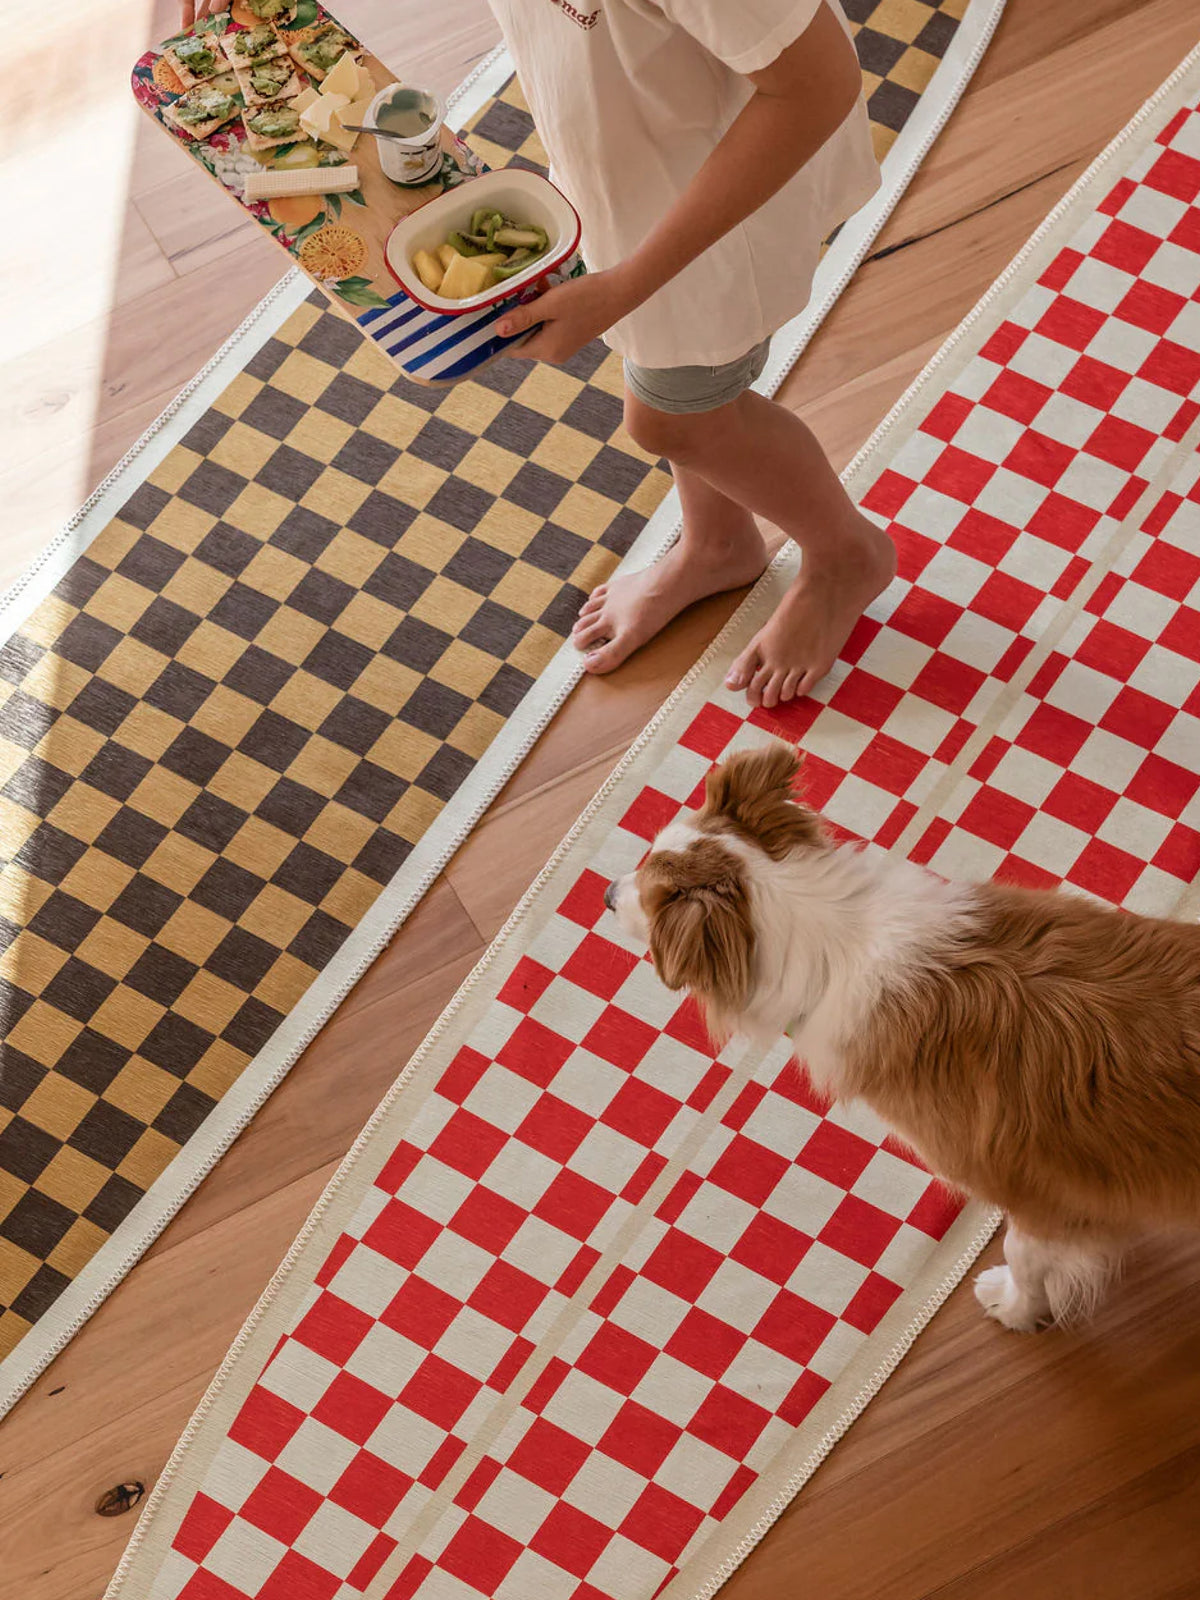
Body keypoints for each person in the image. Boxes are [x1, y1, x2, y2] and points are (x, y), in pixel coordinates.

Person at [180, 1, 891, 710]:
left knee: (676, 416)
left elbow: (815, 83)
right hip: (637, 158)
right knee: (675, 378)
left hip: (721, 204)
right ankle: (718, 543)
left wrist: (625, 285)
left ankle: (844, 554)